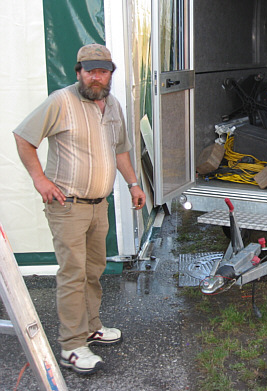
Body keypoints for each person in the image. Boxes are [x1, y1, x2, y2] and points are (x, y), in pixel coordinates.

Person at [13, 43, 146, 375]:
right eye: (90, 71)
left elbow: (120, 150)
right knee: (72, 275)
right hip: (67, 206)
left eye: (103, 71)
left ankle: (91, 327)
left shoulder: (112, 105)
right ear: (79, 72)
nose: (96, 77)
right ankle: (71, 347)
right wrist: (39, 179)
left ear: (110, 74)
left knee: (92, 271)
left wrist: (133, 183)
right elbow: (24, 137)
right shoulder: (61, 101)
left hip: (98, 205)